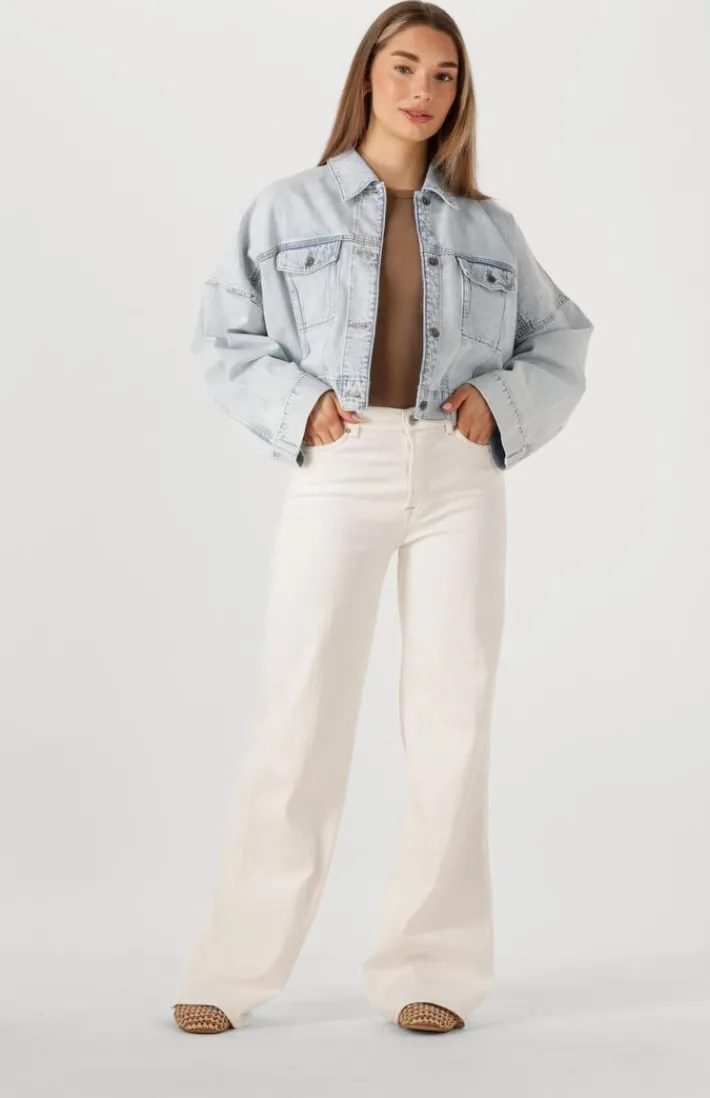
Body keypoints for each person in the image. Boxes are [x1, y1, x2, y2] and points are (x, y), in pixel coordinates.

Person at [172, 0, 593, 1036]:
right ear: (368, 74)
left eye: (444, 74)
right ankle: (233, 968)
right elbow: (224, 335)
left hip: (458, 477)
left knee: (453, 717)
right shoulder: (287, 208)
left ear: (459, 94)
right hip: (341, 466)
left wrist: (499, 402)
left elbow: (561, 338)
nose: (422, 90)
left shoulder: (489, 228)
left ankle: (432, 969)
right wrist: (298, 406)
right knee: (300, 712)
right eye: (404, 66)